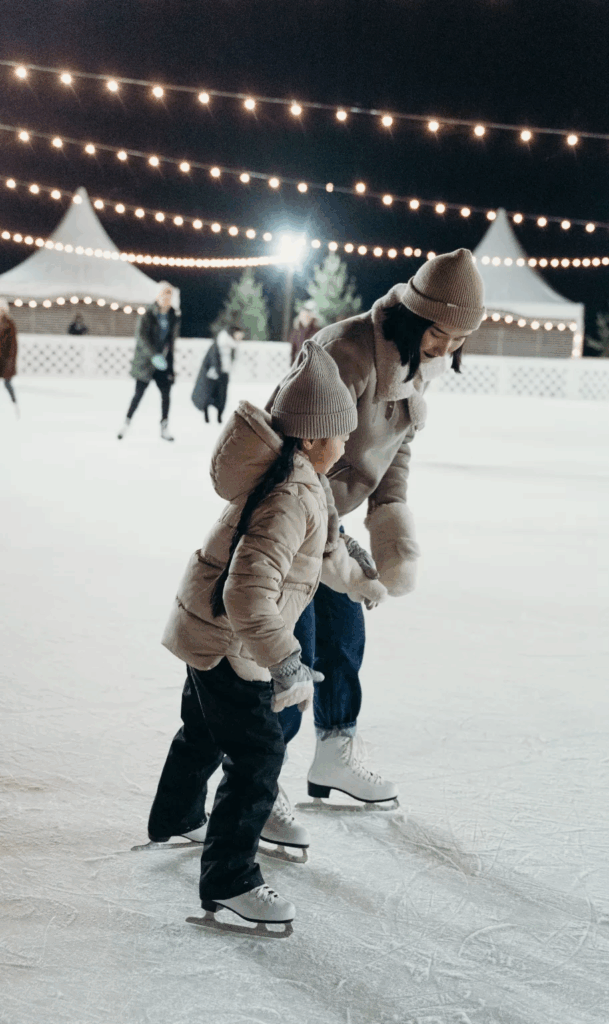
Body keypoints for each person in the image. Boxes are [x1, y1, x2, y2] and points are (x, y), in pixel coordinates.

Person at [144, 341, 378, 935]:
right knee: (258, 755)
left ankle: (176, 816)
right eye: (341, 432)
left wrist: (362, 581)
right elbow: (246, 596)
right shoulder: (290, 497)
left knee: (203, 728)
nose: (348, 441)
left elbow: (325, 552)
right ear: (313, 438)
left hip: (209, 629)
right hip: (231, 641)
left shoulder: (304, 481)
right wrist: (287, 660)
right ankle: (230, 882)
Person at [264, 249, 486, 842]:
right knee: (289, 659)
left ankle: (333, 756)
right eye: (440, 334)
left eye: (459, 339)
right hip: (288, 525)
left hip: (329, 527)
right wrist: (325, 538)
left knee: (343, 642)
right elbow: (294, 445)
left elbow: (397, 449)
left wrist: (390, 520)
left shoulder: (412, 365)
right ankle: (258, 784)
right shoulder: (347, 353)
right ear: (416, 316)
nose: (447, 349)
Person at [117, 282, 179, 441]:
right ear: (158, 296)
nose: (166, 298)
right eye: (164, 294)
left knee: (166, 395)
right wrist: (153, 356)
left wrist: (170, 367)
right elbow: (141, 337)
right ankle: (126, 423)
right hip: (146, 362)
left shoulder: (173, 316)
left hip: (163, 363)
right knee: (138, 394)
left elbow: (171, 342)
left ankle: (164, 427)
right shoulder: (148, 314)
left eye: (169, 295)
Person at [191, 325, 239, 424]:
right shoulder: (219, 343)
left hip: (224, 373)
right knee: (207, 395)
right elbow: (213, 358)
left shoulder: (233, 346)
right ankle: (206, 416)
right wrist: (217, 369)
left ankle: (219, 417)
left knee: (221, 397)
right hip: (212, 375)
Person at [0, 299, 19, 416]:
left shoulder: (9, 324)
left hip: (6, 360)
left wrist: (10, 362)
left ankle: (14, 403)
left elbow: (13, 346)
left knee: (7, 383)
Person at [288, 300, 320, 365]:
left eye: (307, 316)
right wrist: (292, 365)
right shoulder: (296, 331)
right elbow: (293, 350)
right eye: (303, 316)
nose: (305, 318)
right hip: (299, 363)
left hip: (313, 363)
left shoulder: (316, 331)